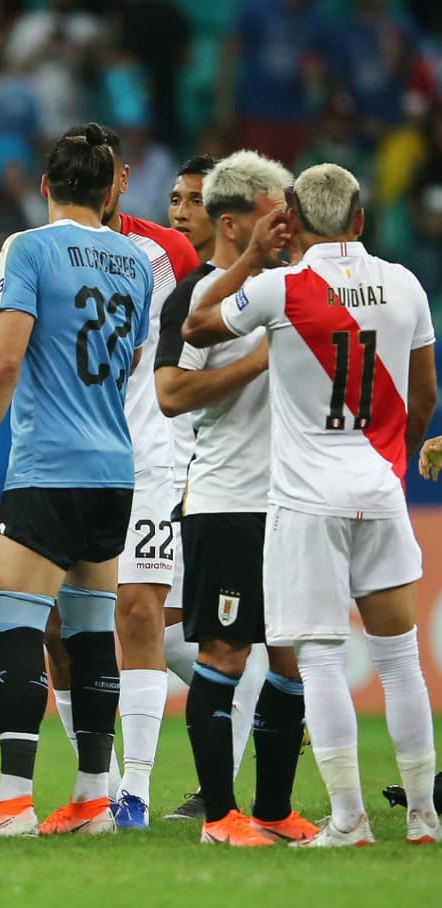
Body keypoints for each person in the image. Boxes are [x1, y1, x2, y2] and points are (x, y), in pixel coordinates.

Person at [183, 163, 440, 847]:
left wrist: (242, 258)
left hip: (304, 501)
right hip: (381, 492)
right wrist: (392, 461)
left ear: (289, 222)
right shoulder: (406, 285)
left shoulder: (278, 287)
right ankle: (421, 817)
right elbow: (422, 398)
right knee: (400, 660)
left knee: (321, 660)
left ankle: (349, 819)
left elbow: (197, 326)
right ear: (359, 220)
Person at [0, 124, 152, 839]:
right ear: (109, 189)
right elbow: (123, 364)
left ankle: (11, 801)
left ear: (44, 188)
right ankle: (94, 797)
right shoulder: (137, 261)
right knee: (93, 635)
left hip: (49, 467)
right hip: (112, 468)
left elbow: (4, 360)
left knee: (16, 627)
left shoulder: (28, 248)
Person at [154, 150, 317, 846]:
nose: (289, 223)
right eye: (274, 210)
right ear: (234, 220)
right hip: (226, 502)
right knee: (223, 654)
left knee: (289, 658)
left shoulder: (291, 290)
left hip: (293, 502)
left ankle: (274, 813)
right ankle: (219, 818)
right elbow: (169, 395)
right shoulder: (197, 298)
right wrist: (258, 360)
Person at [42, 123, 198, 829]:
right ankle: (94, 783)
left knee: (138, 610)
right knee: (56, 625)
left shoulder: (168, 251)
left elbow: (178, 360)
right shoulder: (33, 250)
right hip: (62, 457)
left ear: (118, 178)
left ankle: (132, 789)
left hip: (146, 454)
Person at [169, 154, 217, 262]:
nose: (180, 214)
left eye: (197, 202)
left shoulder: (253, 278)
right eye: (175, 201)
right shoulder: (150, 274)